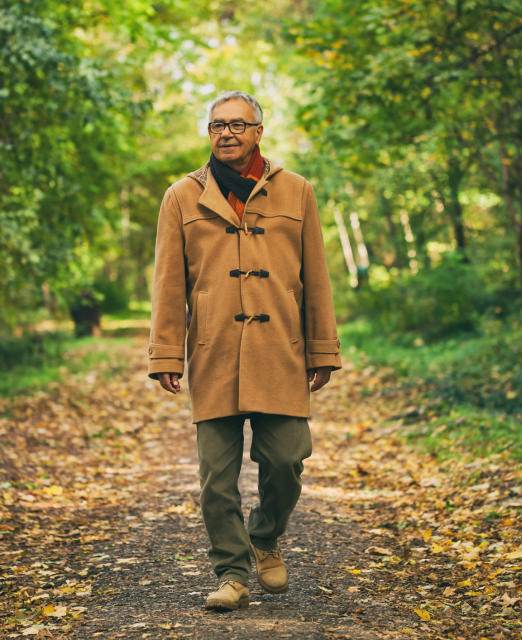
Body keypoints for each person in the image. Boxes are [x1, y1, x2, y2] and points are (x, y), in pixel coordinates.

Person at [147, 90, 341, 611]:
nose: (225, 133)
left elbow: (316, 277)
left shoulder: (297, 192)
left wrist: (323, 348)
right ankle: (232, 574)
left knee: (287, 458)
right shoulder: (181, 197)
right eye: (216, 125)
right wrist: (166, 354)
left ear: (259, 131)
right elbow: (168, 284)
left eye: (236, 124)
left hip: (282, 347)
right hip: (213, 349)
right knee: (216, 478)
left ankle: (264, 535)